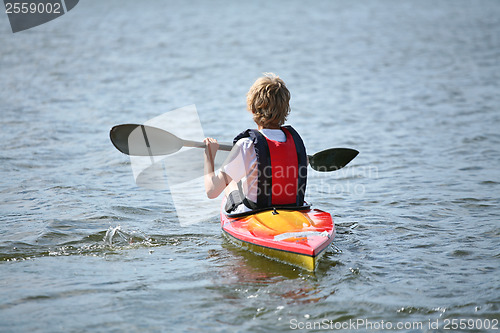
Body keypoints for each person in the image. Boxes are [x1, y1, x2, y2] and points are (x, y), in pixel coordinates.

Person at [203, 73, 308, 214]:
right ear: (285, 109)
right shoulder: (296, 144)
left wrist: (209, 156)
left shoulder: (246, 145)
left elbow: (211, 191)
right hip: (294, 209)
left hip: (256, 212)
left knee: (232, 182)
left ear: (253, 109)